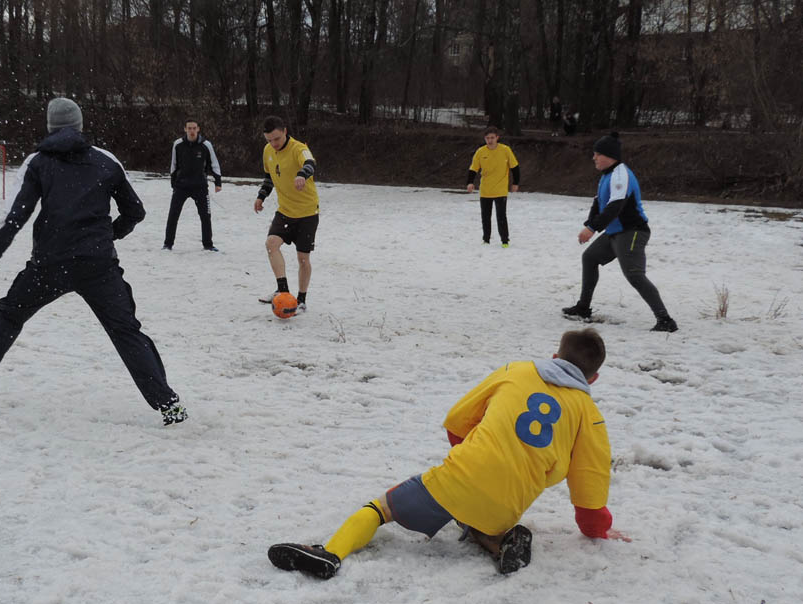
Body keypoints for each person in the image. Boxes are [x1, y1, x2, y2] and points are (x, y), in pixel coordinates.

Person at [268, 328, 631, 579]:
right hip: (510, 501)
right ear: (593, 379)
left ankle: (330, 554)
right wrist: (596, 529)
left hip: (458, 478)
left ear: (554, 355)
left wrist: (470, 456)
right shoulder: (590, 416)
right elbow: (590, 486)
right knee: (483, 516)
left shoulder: (516, 371)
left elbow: (457, 421)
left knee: (380, 510)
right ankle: (500, 542)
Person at [0, 98, 188, 426]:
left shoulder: (39, 163)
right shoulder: (106, 162)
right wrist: (109, 235)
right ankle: (168, 403)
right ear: (79, 125)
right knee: (126, 332)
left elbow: (16, 217)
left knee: (7, 318)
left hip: (49, 265)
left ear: (50, 127)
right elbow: (136, 211)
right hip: (98, 266)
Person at [562, 132, 678, 332]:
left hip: (632, 232)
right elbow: (599, 202)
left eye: (598, 154)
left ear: (610, 156)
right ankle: (583, 308)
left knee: (635, 275)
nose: (594, 158)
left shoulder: (620, 174)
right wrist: (590, 223)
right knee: (590, 258)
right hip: (616, 232)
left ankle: (665, 320)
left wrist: (592, 228)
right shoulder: (607, 175)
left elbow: (615, 206)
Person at [254, 116, 319, 312]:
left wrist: (302, 174)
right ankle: (282, 292)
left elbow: (310, 163)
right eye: (269, 140)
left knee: (302, 258)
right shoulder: (268, 151)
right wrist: (261, 196)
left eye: (276, 139)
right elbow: (270, 177)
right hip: (285, 211)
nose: (273, 144)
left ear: (284, 131)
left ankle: (301, 300)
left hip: (307, 212)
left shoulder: (298, 148)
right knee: (271, 244)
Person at [164, 119, 222, 252]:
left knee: (205, 216)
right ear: (185, 129)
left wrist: (218, 182)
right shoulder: (178, 144)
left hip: (200, 187)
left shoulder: (206, 145)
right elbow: (173, 164)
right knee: (173, 215)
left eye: (194, 128)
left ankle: (208, 244)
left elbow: (214, 163)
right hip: (181, 186)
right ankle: (168, 244)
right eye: (189, 128)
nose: (191, 131)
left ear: (198, 129)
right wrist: (173, 183)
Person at [466, 125, 520, 247]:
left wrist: (515, 183)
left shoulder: (505, 150)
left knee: (501, 216)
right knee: (485, 216)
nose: (490, 140)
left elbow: (515, 167)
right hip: (485, 189)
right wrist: (470, 182)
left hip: (500, 190)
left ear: (497, 138)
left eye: (492, 138)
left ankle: (505, 241)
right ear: (485, 139)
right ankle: (486, 239)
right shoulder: (480, 152)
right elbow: (473, 168)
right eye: (487, 138)